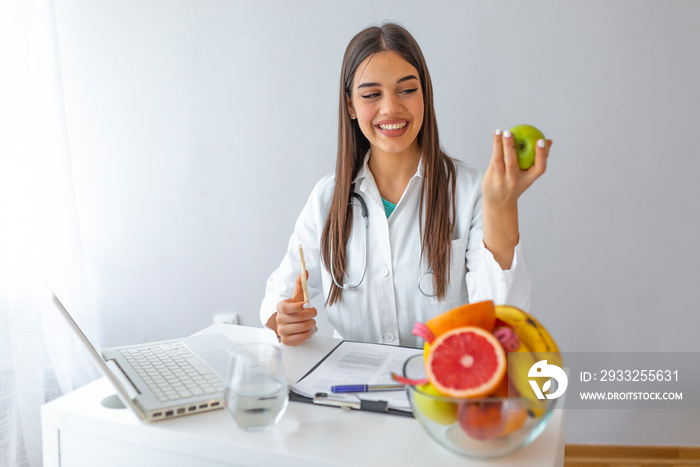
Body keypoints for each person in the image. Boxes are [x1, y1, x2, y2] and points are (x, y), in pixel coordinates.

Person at [259, 23, 551, 348]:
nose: (391, 108)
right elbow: (280, 294)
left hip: (443, 389)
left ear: (425, 94)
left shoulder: (471, 192)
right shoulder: (327, 199)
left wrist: (501, 205)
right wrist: (284, 319)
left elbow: (504, 317)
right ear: (351, 105)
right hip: (348, 394)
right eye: (371, 95)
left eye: (407, 90)